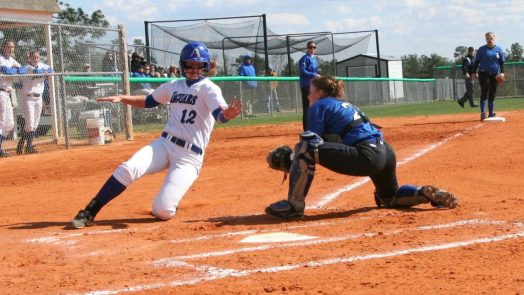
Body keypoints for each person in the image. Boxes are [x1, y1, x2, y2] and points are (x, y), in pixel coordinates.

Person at [69, 42, 242, 229]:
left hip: (189, 157)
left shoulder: (209, 89)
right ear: (183, 65)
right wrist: (123, 98)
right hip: (165, 144)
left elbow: (220, 115)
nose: (194, 69)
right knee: (128, 168)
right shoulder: (174, 85)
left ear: (206, 67)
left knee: (162, 211)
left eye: (198, 65)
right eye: (190, 64)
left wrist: (228, 115)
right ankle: (89, 211)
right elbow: (149, 101)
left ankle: (169, 200)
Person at [265, 76, 458, 220]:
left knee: (304, 147)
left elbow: (312, 142)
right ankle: (422, 192)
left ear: (321, 93)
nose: (308, 95)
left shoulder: (319, 106)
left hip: (367, 155)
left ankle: (293, 206)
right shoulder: (345, 105)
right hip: (386, 152)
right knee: (388, 198)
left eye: (311, 91)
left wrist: (291, 160)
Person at [16, 50, 52, 155]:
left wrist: (46, 71)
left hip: (39, 98)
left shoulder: (41, 65)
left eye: (37, 57)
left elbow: (50, 69)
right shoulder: (27, 68)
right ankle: (22, 143)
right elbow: (36, 72)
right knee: (29, 125)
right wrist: (44, 72)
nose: (36, 59)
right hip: (29, 98)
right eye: (33, 57)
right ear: (30, 58)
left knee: (35, 124)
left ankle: (28, 147)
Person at [472, 32, 505, 121]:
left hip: (495, 74)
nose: (489, 40)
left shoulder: (498, 49)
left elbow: (501, 62)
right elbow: (477, 61)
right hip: (483, 73)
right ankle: (483, 113)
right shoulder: (482, 49)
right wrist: (474, 72)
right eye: (487, 38)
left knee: (493, 92)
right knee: (485, 91)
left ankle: (491, 113)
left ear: (494, 38)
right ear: (485, 39)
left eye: (491, 38)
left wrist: (502, 72)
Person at [0, 40, 24, 158]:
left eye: (12, 47)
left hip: (7, 94)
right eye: (9, 47)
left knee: (9, 124)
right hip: (1, 93)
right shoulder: (1, 58)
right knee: (2, 122)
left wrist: (15, 71)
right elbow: (5, 71)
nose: (11, 49)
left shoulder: (11, 60)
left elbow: (23, 70)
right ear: (4, 47)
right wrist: (15, 71)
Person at [298, 40, 320, 131]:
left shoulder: (314, 59)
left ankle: (313, 128)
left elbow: (316, 71)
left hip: (313, 86)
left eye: (313, 47)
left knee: (314, 107)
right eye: (310, 47)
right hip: (306, 86)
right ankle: (306, 130)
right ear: (307, 48)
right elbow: (303, 71)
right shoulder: (304, 58)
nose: (312, 49)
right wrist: (314, 75)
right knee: (307, 108)